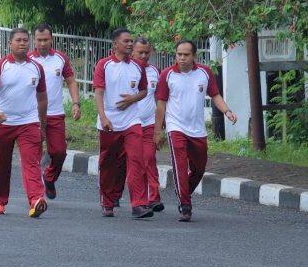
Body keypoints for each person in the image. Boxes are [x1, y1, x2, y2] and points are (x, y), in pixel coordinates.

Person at [154, 40, 237, 222]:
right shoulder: (167, 75)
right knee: (180, 167)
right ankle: (185, 204)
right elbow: (161, 104)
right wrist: (157, 131)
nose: (182, 58)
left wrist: (227, 111)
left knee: (199, 168)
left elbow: (215, 95)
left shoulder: (204, 73)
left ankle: (184, 191)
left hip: (198, 129)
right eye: (179, 54)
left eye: (186, 55)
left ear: (194, 56)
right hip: (176, 127)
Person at [0, 28, 49, 217]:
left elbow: (42, 98)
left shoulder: (37, 67)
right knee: (1, 164)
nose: (22, 43)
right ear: (10, 43)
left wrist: (42, 125)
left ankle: (36, 199)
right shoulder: (0, 66)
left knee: (31, 162)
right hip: (3, 123)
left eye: (26, 41)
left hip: (28, 122)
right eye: (18, 40)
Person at [93, 28, 151, 219]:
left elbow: (144, 91)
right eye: (126, 41)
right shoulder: (104, 65)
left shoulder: (137, 66)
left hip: (132, 121)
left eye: (131, 41)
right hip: (109, 122)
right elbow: (99, 93)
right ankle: (107, 202)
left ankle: (139, 205)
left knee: (136, 159)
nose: (129, 44)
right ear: (115, 44)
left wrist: (132, 99)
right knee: (108, 162)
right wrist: (103, 117)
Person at [28, 24, 81, 200]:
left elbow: (71, 81)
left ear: (51, 39)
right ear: (33, 40)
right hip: (32, 116)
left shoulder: (60, 58)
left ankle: (49, 178)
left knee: (59, 152)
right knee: (33, 156)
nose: (42, 43)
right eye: (39, 40)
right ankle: (35, 195)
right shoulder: (28, 60)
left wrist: (76, 103)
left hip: (56, 113)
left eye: (46, 40)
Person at [132, 37, 164, 212]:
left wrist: (160, 126)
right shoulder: (126, 69)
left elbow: (160, 100)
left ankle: (153, 197)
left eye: (147, 52)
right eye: (140, 53)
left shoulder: (155, 71)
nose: (143, 56)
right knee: (131, 162)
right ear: (133, 52)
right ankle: (113, 195)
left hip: (149, 122)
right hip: (128, 123)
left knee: (149, 158)